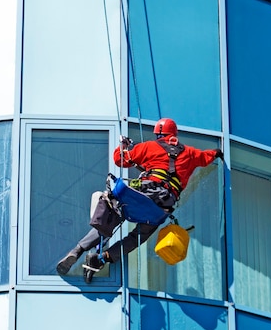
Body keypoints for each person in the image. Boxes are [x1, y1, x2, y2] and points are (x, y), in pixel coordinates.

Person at [56, 118, 223, 279]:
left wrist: (123, 145)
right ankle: (103, 258)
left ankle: (77, 250)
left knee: (112, 215)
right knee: (138, 237)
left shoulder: (150, 147)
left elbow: (119, 159)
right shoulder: (191, 153)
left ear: (159, 134)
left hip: (143, 194)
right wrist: (217, 152)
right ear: (174, 134)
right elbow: (206, 156)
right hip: (163, 205)